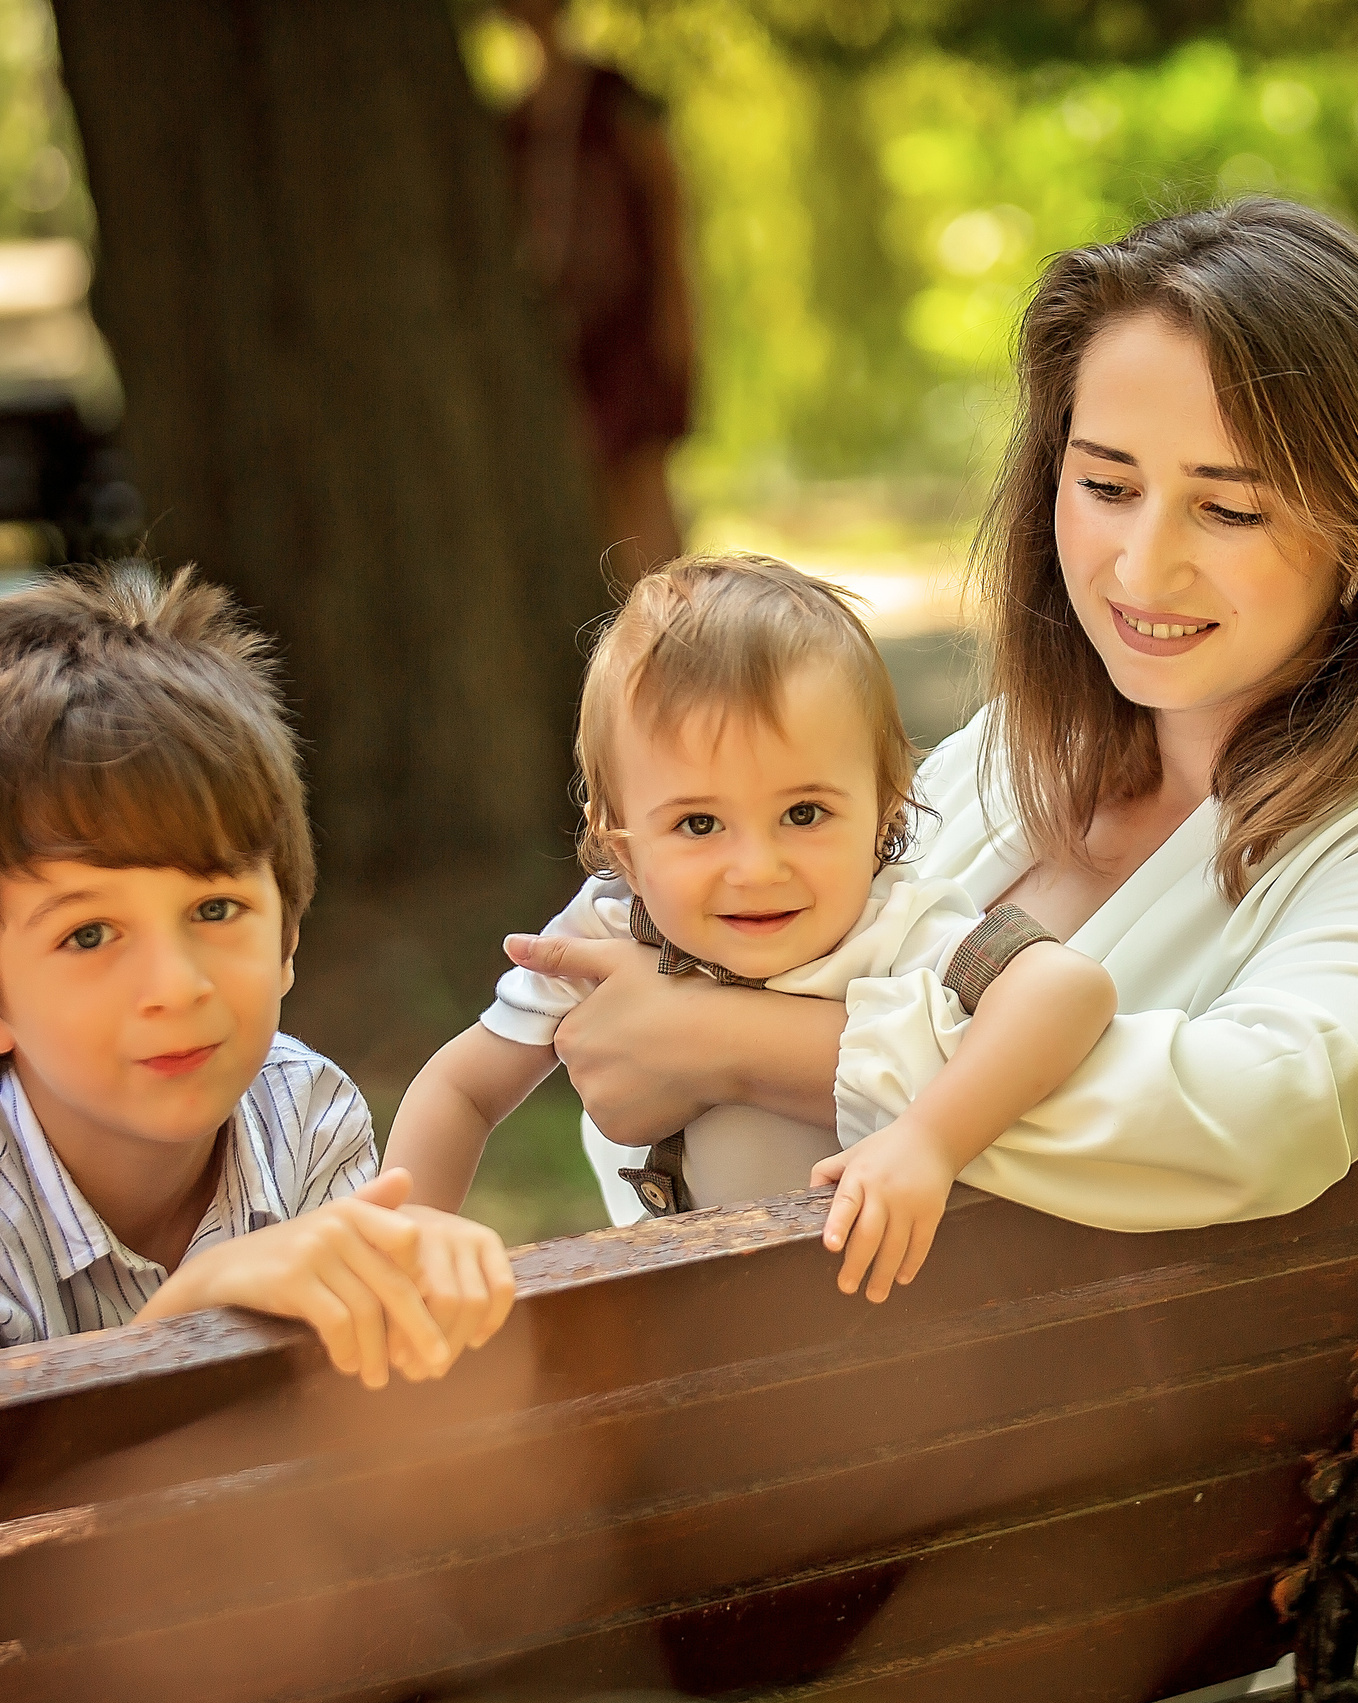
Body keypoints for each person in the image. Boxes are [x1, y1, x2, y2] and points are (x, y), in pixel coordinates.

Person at [519, 197, 1358, 1240]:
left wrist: (741, 1045)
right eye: (1109, 486)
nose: (1143, 565)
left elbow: (1252, 1115)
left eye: (1230, 508)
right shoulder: (994, 764)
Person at [0, 570, 516, 1402]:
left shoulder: (305, 1116)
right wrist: (190, 1312)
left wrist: (421, 1295)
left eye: (215, 907)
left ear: (289, 932)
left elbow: (326, 1429)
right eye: (88, 934)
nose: (175, 986)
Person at [385, 553, 1116, 1303]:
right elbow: (462, 1088)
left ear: (885, 810)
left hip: (894, 1340)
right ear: (625, 852)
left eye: (804, 814)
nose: (757, 867)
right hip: (701, 1321)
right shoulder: (614, 930)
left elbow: (1068, 989)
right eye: (699, 823)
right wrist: (398, 1241)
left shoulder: (896, 926)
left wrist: (930, 1140)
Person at [503, 0, 694, 583]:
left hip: (627, 325)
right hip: (561, 334)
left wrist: (677, 315)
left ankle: (673, 621)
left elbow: (666, 208)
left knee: (641, 483)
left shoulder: (615, 97)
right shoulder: (514, 121)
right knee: (585, 486)